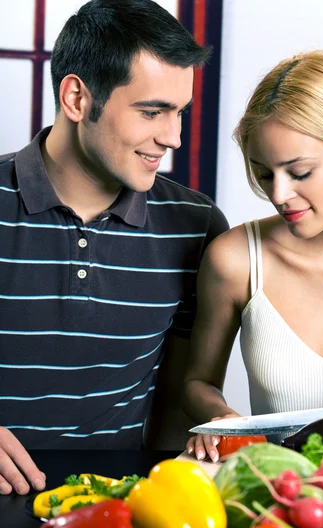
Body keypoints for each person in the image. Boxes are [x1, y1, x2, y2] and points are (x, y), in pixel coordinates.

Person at [0, 0, 229, 495]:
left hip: (119, 520)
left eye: (180, 113)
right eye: (152, 111)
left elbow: (178, 404)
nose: (173, 137)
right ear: (77, 99)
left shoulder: (196, 226)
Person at [183, 50, 323, 462]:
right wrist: (223, 420)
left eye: (299, 172)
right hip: (282, 506)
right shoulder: (235, 261)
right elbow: (197, 384)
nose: (278, 195)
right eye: (264, 173)